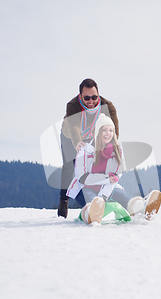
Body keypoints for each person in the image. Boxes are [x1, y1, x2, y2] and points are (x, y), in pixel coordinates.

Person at [66, 114, 161, 224]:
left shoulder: (117, 151)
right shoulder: (84, 151)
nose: (108, 133)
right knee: (92, 200)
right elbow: (83, 178)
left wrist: (107, 186)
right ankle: (90, 214)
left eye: (111, 130)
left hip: (108, 186)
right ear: (98, 132)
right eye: (104, 130)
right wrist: (107, 178)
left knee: (124, 199)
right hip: (85, 187)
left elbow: (117, 175)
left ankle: (142, 209)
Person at [58, 78, 119, 218]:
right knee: (70, 167)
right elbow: (74, 128)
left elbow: (114, 130)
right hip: (70, 138)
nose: (91, 101)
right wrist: (77, 143)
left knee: (93, 165)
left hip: (91, 137)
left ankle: (100, 198)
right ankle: (64, 199)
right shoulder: (72, 105)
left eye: (94, 97)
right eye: (86, 98)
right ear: (80, 96)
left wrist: (113, 149)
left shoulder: (107, 106)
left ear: (98, 94)